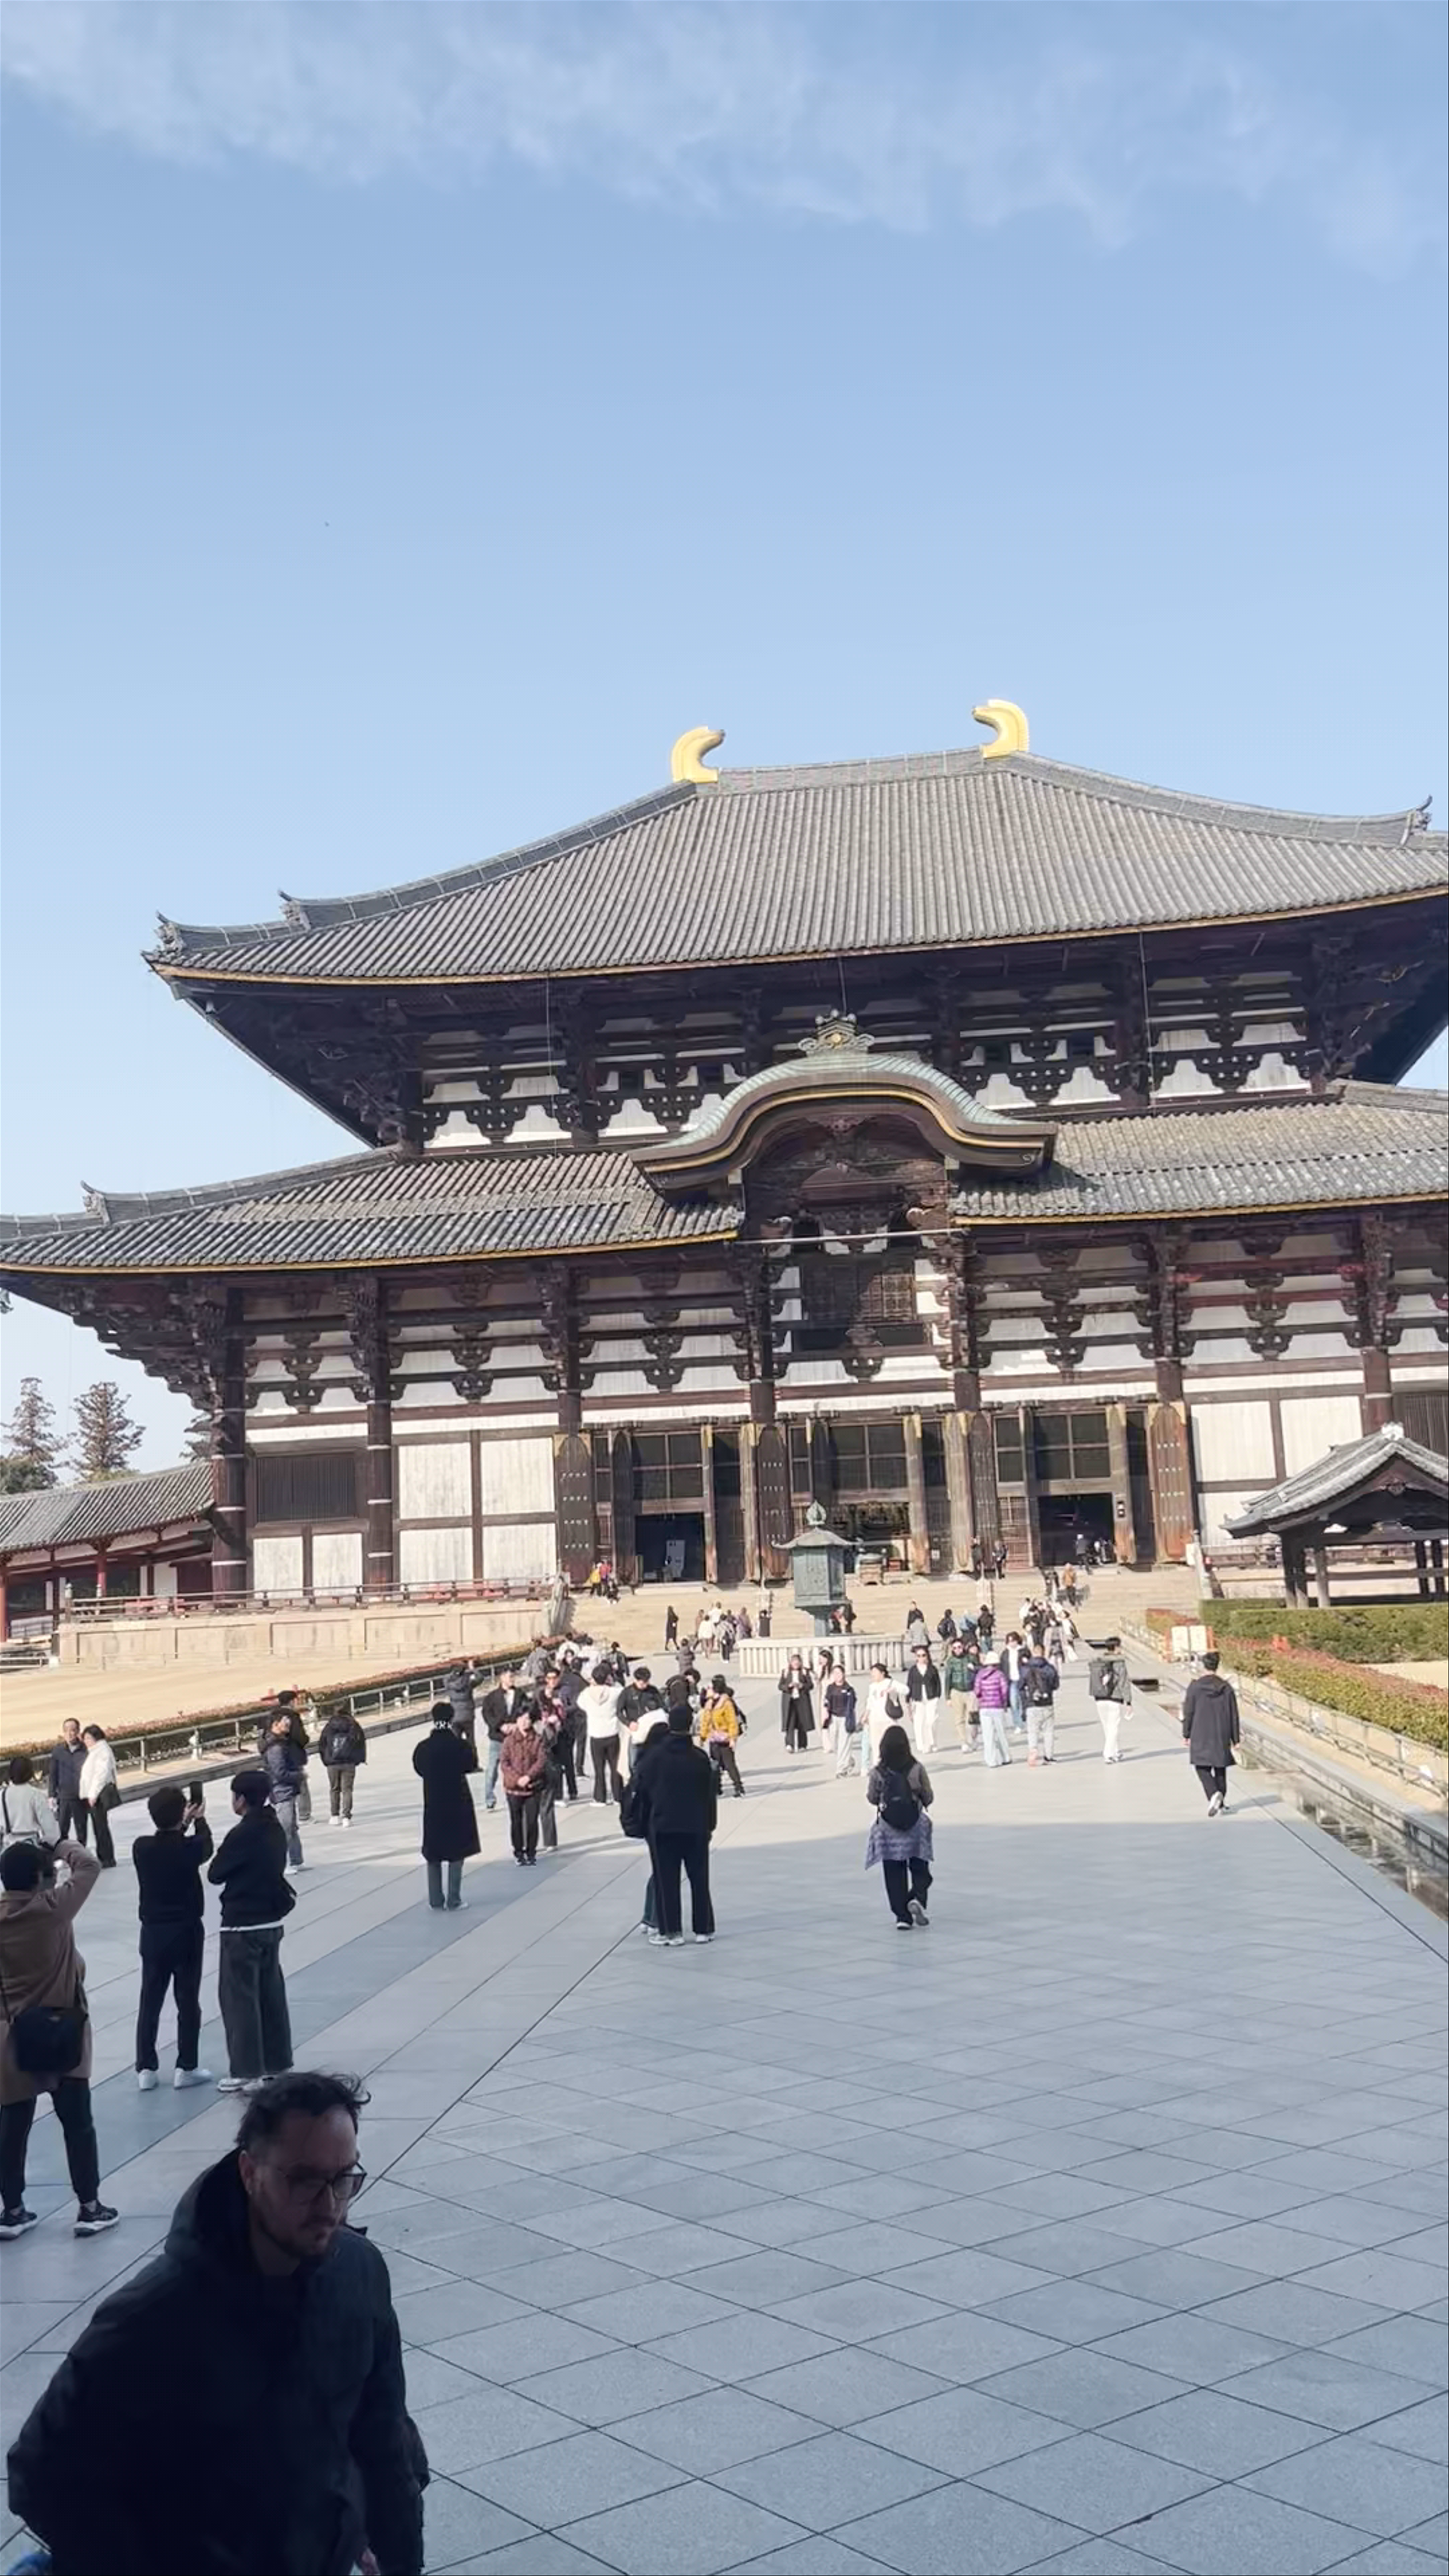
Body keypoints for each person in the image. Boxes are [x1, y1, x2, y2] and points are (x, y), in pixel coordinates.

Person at [8, 2069, 425, 2576]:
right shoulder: (153, 2317)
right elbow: (41, 2474)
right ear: (249, 2172)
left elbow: (383, 2434)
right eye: (304, 2180)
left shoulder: (358, 2272)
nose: (330, 2205)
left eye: (343, 2178)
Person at [0, 1839, 117, 2240]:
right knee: (77, 2123)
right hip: (62, 2030)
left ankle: (12, 2209)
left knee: (13, 2126)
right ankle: (89, 2206)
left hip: (12, 2035)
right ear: (38, 1878)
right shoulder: (53, 1909)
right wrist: (61, 1845)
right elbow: (89, 1865)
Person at [209, 1771, 295, 2091]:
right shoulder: (275, 1828)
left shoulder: (242, 1833)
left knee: (240, 1998)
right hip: (272, 1921)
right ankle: (277, 2061)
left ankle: (246, 2070)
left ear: (241, 1799)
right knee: (271, 1994)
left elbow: (217, 1873)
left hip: (242, 1923)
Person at [133, 1785, 213, 2094]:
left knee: (150, 1999)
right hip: (187, 1929)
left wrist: (181, 1823)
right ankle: (186, 2065)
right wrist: (199, 1820)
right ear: (182, 1812)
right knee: (188, 2000)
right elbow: (205, 1847)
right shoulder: (190, 1847)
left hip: (153, 1932)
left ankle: (146, 2067)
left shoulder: (142, 1848)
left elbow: (170, 1842)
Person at [633, 1705, 718, 1945]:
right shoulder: (700, 1758)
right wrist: (710, 1825)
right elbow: (709, 1796)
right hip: (697, 1827)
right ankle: (704, 1928)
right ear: (691, 1726)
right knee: (699, 1879)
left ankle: (671, 1931)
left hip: (663, 1826)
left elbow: (643, 1792)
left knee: (666, 1880)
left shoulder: (655, 1758)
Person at [865, 1723, 934, 1930]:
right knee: (920, 1866)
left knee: (894, 1872)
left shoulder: (878, 1772)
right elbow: (929, 1796)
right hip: (915, 1825)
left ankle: (902, 1916)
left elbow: (872, 1798)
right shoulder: (917, 1768)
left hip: (889, 1829)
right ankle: (917, 1898)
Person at [412, 1702, 479, 1909]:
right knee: (456, 1853)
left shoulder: (423, 1748)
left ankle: (435, 1899)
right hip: (458, 1803)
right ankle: (454, 1898)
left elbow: (419, 1769)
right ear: (452, 1719)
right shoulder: (460, 1746)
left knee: (434, 1854)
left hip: (434, 1804)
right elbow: (471, 1765)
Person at [1181, 1650, 1240, 1815]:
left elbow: (1189, 1712)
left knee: (1202, 1766)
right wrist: (1235, 1738)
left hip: (1200, 1731)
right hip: (1221, 1731)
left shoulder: (1195, 1687)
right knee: (1220, 1767)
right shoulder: (1226, 1688)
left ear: (1203, 1666)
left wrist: (1186, 1734)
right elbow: (1233, 1714)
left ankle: (1214, 1794)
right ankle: (1221, 1803)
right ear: (1217, 1666)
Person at [476, 1667, 530, 1812]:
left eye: (513, 1677)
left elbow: (527, 1710)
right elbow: (487, 1714)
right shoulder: (493, 1697)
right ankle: (490, 1798)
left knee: (516, 1768)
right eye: (509, 1677)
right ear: (502, 1678)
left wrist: (517, 1725)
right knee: (492, 1769)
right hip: (498, 1738)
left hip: (515, 1738)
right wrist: (500, 1726)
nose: (512, 1679)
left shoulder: (520, 1694)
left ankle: (516, 1795)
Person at [500, 1706, 548, 1866]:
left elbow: (542, 1761)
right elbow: (505, 1763)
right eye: (521, 1719)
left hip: (533, 1786)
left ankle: (531, 1851)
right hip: (514, 1788)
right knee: (516, 1821)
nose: (524, 1722)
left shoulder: (538, 1739)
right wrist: (517, 1778)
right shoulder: (509, 1741)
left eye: (527, 1719)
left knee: (532, 1821)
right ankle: (518, 1851)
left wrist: (529, 1777)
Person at [262, 1711, 306, 1870]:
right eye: (285, 1722)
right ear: (275, 1725)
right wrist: (299, 1775)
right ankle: (284, 1863)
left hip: (288, 1790)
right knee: (285, 1828)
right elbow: (280, 1773)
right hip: (281, 1791)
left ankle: (297, 1860)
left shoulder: (282, 1743)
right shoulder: (276, 1748)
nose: (288, 1724)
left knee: (292, 1827)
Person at [580, 1662, 626, 1804]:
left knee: (599, 1768)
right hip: (612, 1733)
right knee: (615, 1767)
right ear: (607, 1677)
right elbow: (622, 1693)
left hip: (596, 1734)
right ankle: (618, 1796)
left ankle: (600, 1798)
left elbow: (581, 1705)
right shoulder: (614, 1692)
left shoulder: (587, 1694)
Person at [317, 1703, 368, 1826]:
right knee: (347, 1790)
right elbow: (361, 1743)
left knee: (334, 1789)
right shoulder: (354, 1725)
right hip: (349, 1762)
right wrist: (359, 1760)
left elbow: (322, 1744)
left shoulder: (329, 1726)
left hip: (333, 1763)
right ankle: (347, 1817)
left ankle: (335, 1816)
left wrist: (326, 1760)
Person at [2, 1757, 61, 1855]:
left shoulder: (2, 1795)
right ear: (30, 1773)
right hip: (31, 1845)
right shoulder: (36, 1795)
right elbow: (49, 1826)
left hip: (9, 1846)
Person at [78, 1728, 118, 1870]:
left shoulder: (102, 1751)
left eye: (88, 1738)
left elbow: (101, 1775)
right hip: (94, 1794)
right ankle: (105, 1856)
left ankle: (107, 1858)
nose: (86, 1742)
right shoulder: (97, 1751)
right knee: (99, 1826)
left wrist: (93, 1794)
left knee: (101, 1827)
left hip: (98, 1795)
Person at [272, 1690, 315, 1822]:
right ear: (292, 1701)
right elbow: (299, 1737)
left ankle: (282, 1813)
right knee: (301, 1783)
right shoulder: (293, 1716)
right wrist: (305, 1740)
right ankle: (304, 1814)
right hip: (293, 1754)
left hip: (274, 1755)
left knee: (280, 1782)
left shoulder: (272, 1716)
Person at [699, 1675, 746, 1797]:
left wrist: (733, 1738)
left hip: (725, 1738)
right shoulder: (709, 1704)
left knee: (730, 1764)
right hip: (714, 1738)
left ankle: (738, 1787)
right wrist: (703, 1737)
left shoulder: (726, 1703)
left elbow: (732, 1722)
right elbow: (705, 1721)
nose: (707, 1690)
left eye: (710, 1688)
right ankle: (717, 1788)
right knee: (715, 1764)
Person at [1090, 1634, 1133, 1762]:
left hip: (1100, 1697)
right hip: (1114, 1698)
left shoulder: (1098, 1661)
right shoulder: (1119, 1662)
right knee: (1113, 1727)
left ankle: (1115, 1752)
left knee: (1107, 1727)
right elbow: (1124, 1682)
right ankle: (1108, 1755)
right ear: (1116, 1647)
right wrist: (1129, 1702)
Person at [46, 1721, 88, 1844]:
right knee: (62, 1830)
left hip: (81, 1797)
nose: (70, 1734)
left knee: (82, 1829)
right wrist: (51, 1795)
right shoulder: (58, 1751)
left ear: (78, 1732)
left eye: (73, 1730)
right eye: (67, 1731)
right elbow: (53, 1775)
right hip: (63, 1797)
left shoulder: (86, 1750)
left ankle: (81, 1855)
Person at [860, 1661, 903, 1776]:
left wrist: (893, 1691)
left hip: (888, 1719)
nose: (873, 1675)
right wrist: (866, 1716)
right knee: (875, 1744)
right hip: (875, 1719)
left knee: (889, 1743)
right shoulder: (872, 1687)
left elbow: (906, 1690)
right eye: (872, 1673)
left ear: (882, 1673)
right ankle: (878, 1766)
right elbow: (870, 1702)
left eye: (875, 1672)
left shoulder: (891, 1683)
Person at [1021, 1647, 1060, 1766]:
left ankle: (1033, 1750)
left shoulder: (1026, 1669)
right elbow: (1056, 1685)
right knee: (1049, 1732)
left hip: (1032, 1704)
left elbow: (1021, 1686)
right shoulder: (1050, 1668)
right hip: (1047, 1703)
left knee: (1033, 1731)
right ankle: (1049, 1757)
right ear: (1044, 1653)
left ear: (1033, 1653)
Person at [905, 1643, 943, 1757]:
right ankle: (922, 1745)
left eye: (923, 1655)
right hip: (918, 1698)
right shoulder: (913, 1670)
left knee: (931, 1721)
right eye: (919, 1656)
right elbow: (910, 1685)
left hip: (931, 1698)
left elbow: (938, 1684)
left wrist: (937, 1696)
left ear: (927, 1656)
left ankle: (933, 1742)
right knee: (920, 1722)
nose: (921, 1658)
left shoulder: (932, 1669)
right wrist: (908, 1701)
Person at [942, 1635, 980, 1750]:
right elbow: (948, 1679)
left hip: (970, 1691)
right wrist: (948, 1697)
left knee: (973, 1718)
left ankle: (973, 1738)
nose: (958, 1650)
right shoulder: (951, 1662)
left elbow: (980, 1670)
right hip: (957, 1691)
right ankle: (964, 1741)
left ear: (963, 1647)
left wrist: (974, 1668)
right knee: (959, 1718)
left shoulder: (970, 1658)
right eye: (955, 1648)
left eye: (959, 1647)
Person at [975, 1652, 1012, 1768]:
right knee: (1001, 1733)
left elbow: (977, 1691)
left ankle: (991, 1760)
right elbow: (1005, 1691)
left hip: (985, 1707)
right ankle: (1005, 1757)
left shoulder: (980, 1675)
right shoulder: (1000, 1675)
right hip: (997, 1707)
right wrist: (1004, 1704)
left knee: (988, 1735)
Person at [826, 1667, 862, 1778]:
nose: (838, 1675)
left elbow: (852, 1704)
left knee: (844, 1744)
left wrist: (852, 1720)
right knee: (834, 1745)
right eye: (835, 1673)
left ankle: (842, 1769)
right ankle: (849, 1760)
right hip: (833, 1717)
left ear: (844, 1674)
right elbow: (827, 1701)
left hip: (845, 1718)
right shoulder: (831, 1688)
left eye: (840, 1673)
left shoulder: (849, 1689)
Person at [778, 1654, 814, 1753]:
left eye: (798, 1662)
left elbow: (811, 1685)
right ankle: (790, 1744)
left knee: (802, 1722)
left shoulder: (805, 1672)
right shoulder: (786, 1672)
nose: (796, 1664)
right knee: (790, 1722)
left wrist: (802, 1686)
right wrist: (789, 1686)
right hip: (790, 1701)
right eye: (794, 1662)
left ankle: (802, 1744)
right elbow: (781, 1686)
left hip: (802, 1700)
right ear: (791, 1663)